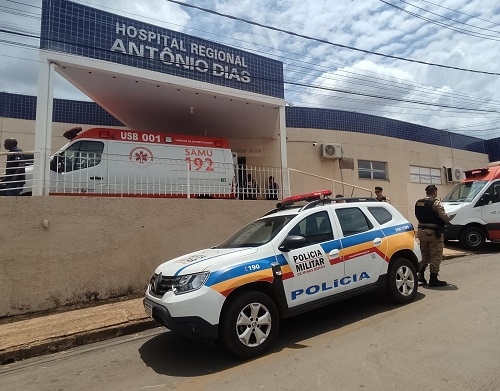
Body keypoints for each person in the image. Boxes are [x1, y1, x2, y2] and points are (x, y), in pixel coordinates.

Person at [414, 184, 453, 287]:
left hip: (421, 232)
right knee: (436, 255)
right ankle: (433, 279)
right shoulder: (436, 203)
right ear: (435, 192)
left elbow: (417, 215)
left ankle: (420, 275)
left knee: (424, 254)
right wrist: (450, 218)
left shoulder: (419, 202)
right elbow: (445, 217)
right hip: (434, 233)